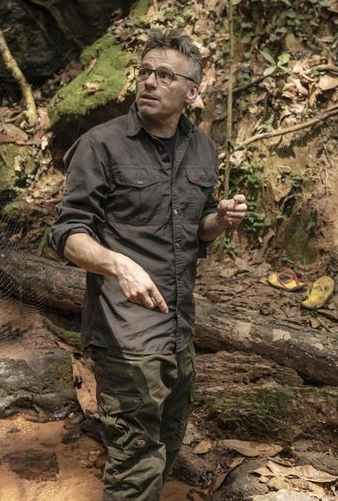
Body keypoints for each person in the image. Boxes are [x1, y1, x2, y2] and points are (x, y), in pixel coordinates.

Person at [51, 28, 247, 500]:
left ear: (192, 92)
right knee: (135, 465)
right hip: (126, 336)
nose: (148, 82)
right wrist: (117, 264)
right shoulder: (101, 145)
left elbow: (195, 229)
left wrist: (218, 220)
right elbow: (66, 234)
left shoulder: (203, 148)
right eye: (144, 72)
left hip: (179, 329)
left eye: (164, 75)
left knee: (167, 443)